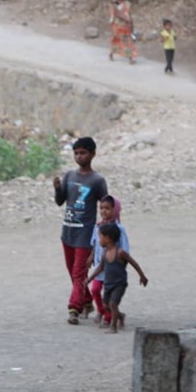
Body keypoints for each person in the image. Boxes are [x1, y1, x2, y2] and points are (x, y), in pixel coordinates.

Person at [53, 137, 109, 325]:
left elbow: (106, 207)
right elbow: (60, 201)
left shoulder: (97, 181)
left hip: (85, 235)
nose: (79, 156)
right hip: (68, 233)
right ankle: (86, 301)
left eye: (83, 153)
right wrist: (57, 189)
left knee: (78, 273)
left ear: (93, 154)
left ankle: (73, 309)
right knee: (73, 272)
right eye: (76, 153)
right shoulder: (69, 176)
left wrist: (106, 232)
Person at [84, 223, 148, 334]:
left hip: (119, 284)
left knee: (113, 304)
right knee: (106, 305)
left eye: (100, 237)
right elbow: (100, 268)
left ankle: (113, 327)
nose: (99, 240)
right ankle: (120, 316)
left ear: (108, 238)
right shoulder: (104, 253)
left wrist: (142, 276)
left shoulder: (120, 252)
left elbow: (134, 263)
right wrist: (89, 279)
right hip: (108, 284)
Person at [87, 195, 129, 328]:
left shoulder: (119, 229)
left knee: (109, 294)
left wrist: (120, 265)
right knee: (95, 290)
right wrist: (91, 257)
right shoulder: (97, 227)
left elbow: (125, 248)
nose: (103, 211)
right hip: (100, 266)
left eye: (107, 208)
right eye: (101, 208)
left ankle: (108, 317)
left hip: (112, 268)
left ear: (114, 210)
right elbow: (95, 244)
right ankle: (102, 310)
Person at [109, 0, 137, 64]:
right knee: (116, 40)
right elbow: (117, 12)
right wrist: (125, 18)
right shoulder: (117, 3)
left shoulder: (127, 3)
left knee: (127, 41)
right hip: (119, 24)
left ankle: (130, 57)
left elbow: (129, 14)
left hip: (127, 25)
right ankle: (112, 53)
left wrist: (131, 24)